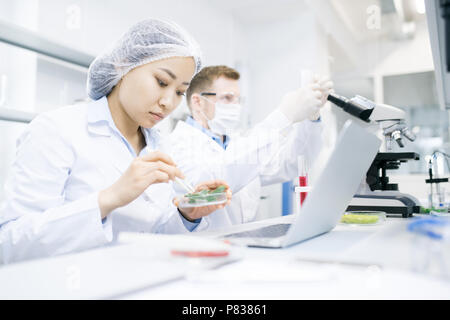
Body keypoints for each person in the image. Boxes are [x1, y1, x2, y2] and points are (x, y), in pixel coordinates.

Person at [0, 19, 232, 264]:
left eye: (178, 92)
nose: (168, 102)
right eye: (162, 82)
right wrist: (109, 198)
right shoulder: (56, 129)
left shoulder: (159, 146)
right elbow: (11, 244)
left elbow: (151, 237)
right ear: (124, 65)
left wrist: (187, 215)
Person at [160, 65, 333, 229]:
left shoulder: (236, 142)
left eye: (238, 100)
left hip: (245, 245)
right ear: (198, 102)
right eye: (227, 98)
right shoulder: (178, 145)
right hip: (204, 250)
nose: (236, 106)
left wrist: (312, 118)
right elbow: (215, 180)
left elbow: (290, 164)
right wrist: (283, 116)